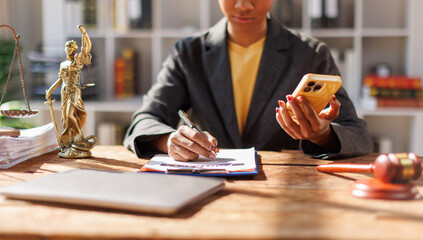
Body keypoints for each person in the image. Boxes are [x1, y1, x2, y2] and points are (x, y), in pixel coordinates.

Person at [123, 0, 373, 161]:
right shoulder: (187, 54)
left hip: (288, 188)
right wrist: (169, 141)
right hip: (207, 183)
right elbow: (143, 122)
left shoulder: (311, 55)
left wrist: (322, 135)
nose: (244, 6)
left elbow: (359, 136)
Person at [45, 25, 96, 158]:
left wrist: (84, 33)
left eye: (71, 48)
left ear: (74, 50)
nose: (69, 50)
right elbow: (60, 80)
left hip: (75, 92)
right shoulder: (63, 64)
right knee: (65, 120)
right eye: (67, 48)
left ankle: (81, 136)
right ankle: (70, 142)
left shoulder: (77, 61)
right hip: (64, 92)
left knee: (69, 116)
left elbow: (87, 48)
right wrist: (49, 91)